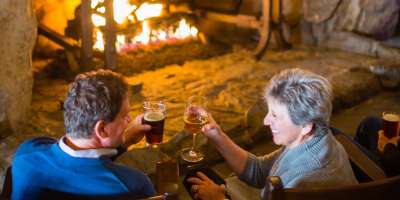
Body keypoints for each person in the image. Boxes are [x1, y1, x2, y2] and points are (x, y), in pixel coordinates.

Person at [188, 68, 358, 200]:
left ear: (305, 126)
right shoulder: (312, 139)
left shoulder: (305, 181)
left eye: (275, 115)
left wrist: (218, 198)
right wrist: (216, 134)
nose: (266, 121)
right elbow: (258, 171)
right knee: (197, 175)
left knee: (192, 179)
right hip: (265, 193)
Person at [11, 70, 156, 199]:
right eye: (124, 115)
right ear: (102, 130)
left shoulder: (27, 153)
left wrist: (123, 142)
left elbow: (80, 162)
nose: (129, 120)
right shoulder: (133, 185)